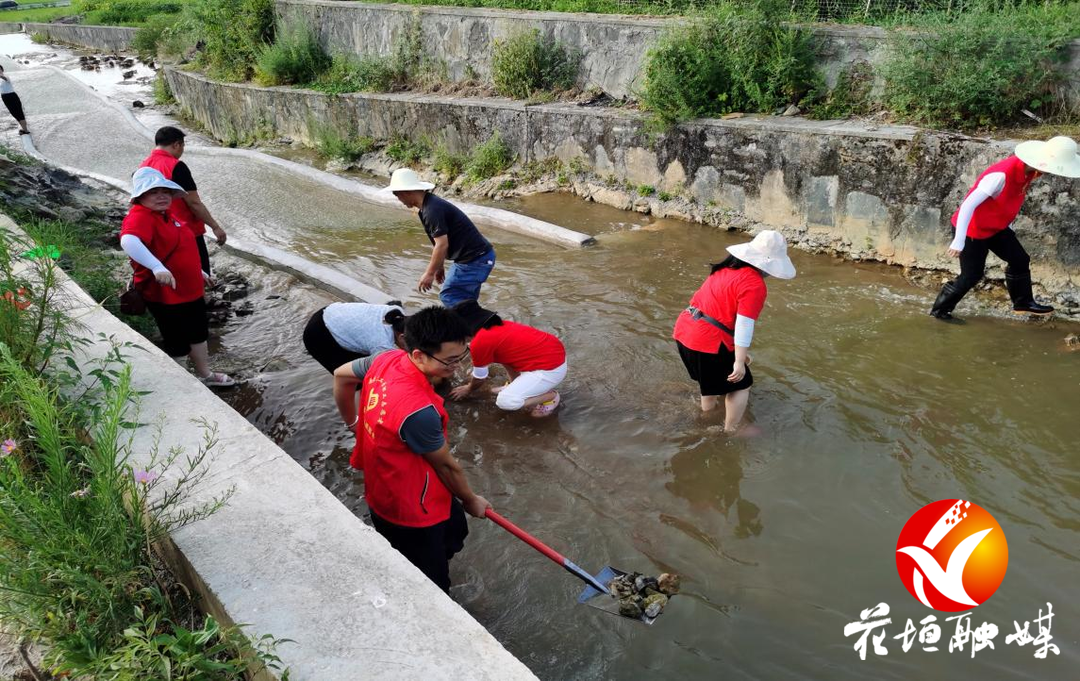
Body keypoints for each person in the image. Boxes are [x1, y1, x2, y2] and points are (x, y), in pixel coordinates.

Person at [335, 306, 491, 592]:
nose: (457, 367)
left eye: (461, 357)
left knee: (456, 533)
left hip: (399, 481)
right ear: (418, 354)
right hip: (408, 508)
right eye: (449, 361)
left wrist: (353, 422)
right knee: (433, 582)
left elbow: (341, 375)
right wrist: (470, 500)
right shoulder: (418, 411)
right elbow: (446, 465)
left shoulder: (386, 359)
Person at [929, 136, 1080, 322]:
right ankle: (940, 311)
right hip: (972, 230)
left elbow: (1010, 200)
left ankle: (1023, 302)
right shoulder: (1001, 175)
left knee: (1019, 259)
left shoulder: (1031, 171)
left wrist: (1009, 226)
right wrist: (959, 240)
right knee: (972, 275)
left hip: (997, 227)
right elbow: (968, 205)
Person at [120, 168, 234, 387]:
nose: (162, 196)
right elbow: (129, 241)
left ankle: (205, 375)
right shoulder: (140, 216)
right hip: (165, 293)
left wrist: (199, 272)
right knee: (176, 338)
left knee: (198, 332)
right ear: (140, 196)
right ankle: (184, 383)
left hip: (189, 288)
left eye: (166, 191)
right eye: (154, 192)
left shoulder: (167, 214)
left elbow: (179, 247)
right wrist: (156, 267)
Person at [672, 230, 795, 433]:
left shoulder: (724, 269)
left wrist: (739, 355)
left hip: (685, 331)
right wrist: (739, 362)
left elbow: (716, 311)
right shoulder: (754, 284)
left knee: (709, 382)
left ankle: (707, 415)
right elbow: (744, 325)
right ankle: (733, 430)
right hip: (707, 342)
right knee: (742, 384)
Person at [386, 168, 496, 307]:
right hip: (476, 258)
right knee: (465, 300)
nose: (399, 200)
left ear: (406, 192)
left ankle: (471, 324)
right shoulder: (427, 206)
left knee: (449, 295)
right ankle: (473, 324)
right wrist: (439, 266)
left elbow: (441, 244)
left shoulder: (431, 210)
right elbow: (439, 240)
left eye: (397, 195)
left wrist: (429, 273)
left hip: (475, 260)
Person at [449, 300, 566, 417]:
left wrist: (468, 389)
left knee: (505, 401)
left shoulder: (480, 342)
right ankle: (521, 388)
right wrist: (513, 383)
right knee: (509, 390)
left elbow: (480, 378)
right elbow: (507, 360)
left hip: (550, 369)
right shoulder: (499, 325)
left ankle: (549, 397)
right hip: (554, 356)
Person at [140, 126, 227, 278]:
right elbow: (194, 203)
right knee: (199, 274)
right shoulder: (176, 166)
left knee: (171, 271)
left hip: (157, 231)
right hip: (185, 231)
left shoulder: (144, 166)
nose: (182, 151)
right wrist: (215, 227)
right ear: (176, 145)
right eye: (183, 146)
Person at [303, 301, 406, 374]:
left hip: (333, 313)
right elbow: (389, 373)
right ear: (401, 337)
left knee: (363, 366)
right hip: (319, 335)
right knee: (356, 380)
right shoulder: (382, 345)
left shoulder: (397, 313)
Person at [0, 65, 29, 136]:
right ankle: (24, 128)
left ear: (2, 70)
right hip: (5, 97)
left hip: (11, 96)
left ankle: (25, 130)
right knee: (14, 113)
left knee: (19, 113)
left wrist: (0, 75)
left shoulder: (6, 76)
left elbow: (5, 78)